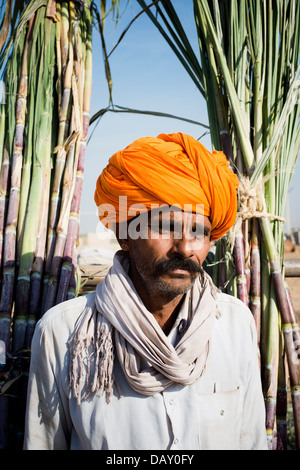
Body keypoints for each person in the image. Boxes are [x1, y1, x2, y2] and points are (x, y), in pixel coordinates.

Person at [23, 132, 267, 450]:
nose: (184, 248)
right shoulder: (62, 333)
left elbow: (252, 441)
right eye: (166, 227)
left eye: (199, 232)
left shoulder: (234, 323)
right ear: (126, 236)